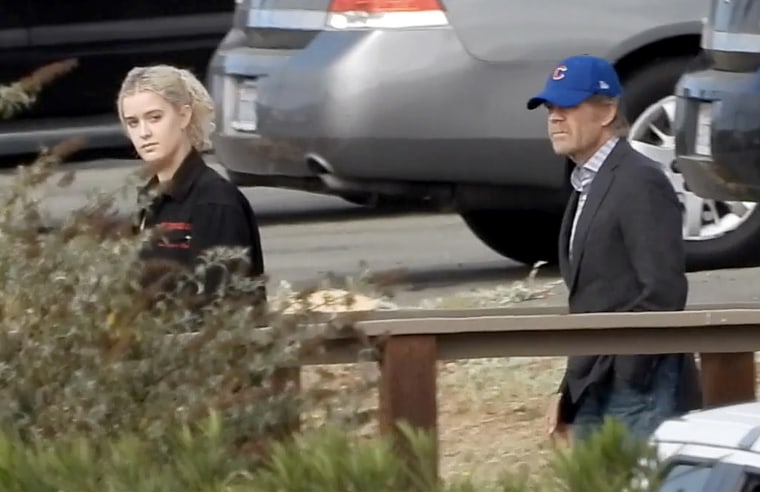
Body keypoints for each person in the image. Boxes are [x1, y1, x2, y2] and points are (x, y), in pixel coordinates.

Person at [526, 55, 702, 443]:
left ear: (607, 111)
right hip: (599, 383)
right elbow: (591, 301)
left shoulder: (639, 182)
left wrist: (629, 373)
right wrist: (570, 392)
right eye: (551, 108)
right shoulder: (587, 184)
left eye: (568, 106)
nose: (555, 117)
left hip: (639, 389)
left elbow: (664, 291)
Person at [117, 64, 265, 299]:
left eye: (155, 118)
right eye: (133, 122)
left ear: (184, 115)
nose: (143, 132)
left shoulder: (214, 202)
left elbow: (222, 306)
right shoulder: (149, 199)